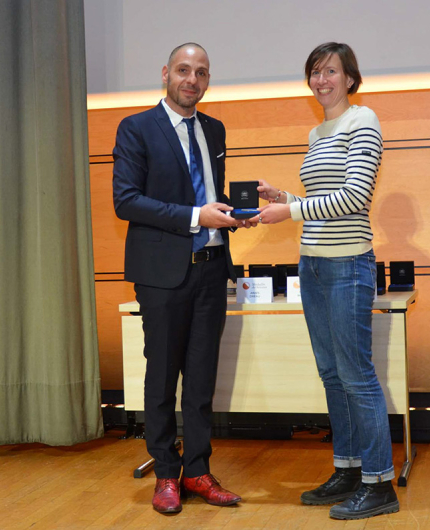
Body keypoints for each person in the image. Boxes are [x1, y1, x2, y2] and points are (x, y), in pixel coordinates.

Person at [256, 42, 399, 520]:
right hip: (313, 266)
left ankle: (380, 483)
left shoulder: (364, 121)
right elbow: (323, 199)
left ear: (350, 78)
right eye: (315, 72)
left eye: (331, 71)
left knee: (358, 377)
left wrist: (289, 210)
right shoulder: (318, 132)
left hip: (347, 266)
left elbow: (354, 197)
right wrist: (285, 197)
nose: (322, 80)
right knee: (332, 375)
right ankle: (349, 469)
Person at [112, 42, 246, 514]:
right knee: (162, 378)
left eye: (202, 72)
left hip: (211, 271)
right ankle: (166, 473)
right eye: (184, 70)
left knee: (202, 382)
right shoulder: (136, 128)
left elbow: (207, 193)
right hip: (161, 275)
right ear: (166, 72)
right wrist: (197, 216)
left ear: (208, 81)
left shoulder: (214, 129)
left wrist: (231, 212)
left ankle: (199, 471)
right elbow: (126, 201)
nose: (192, 79)